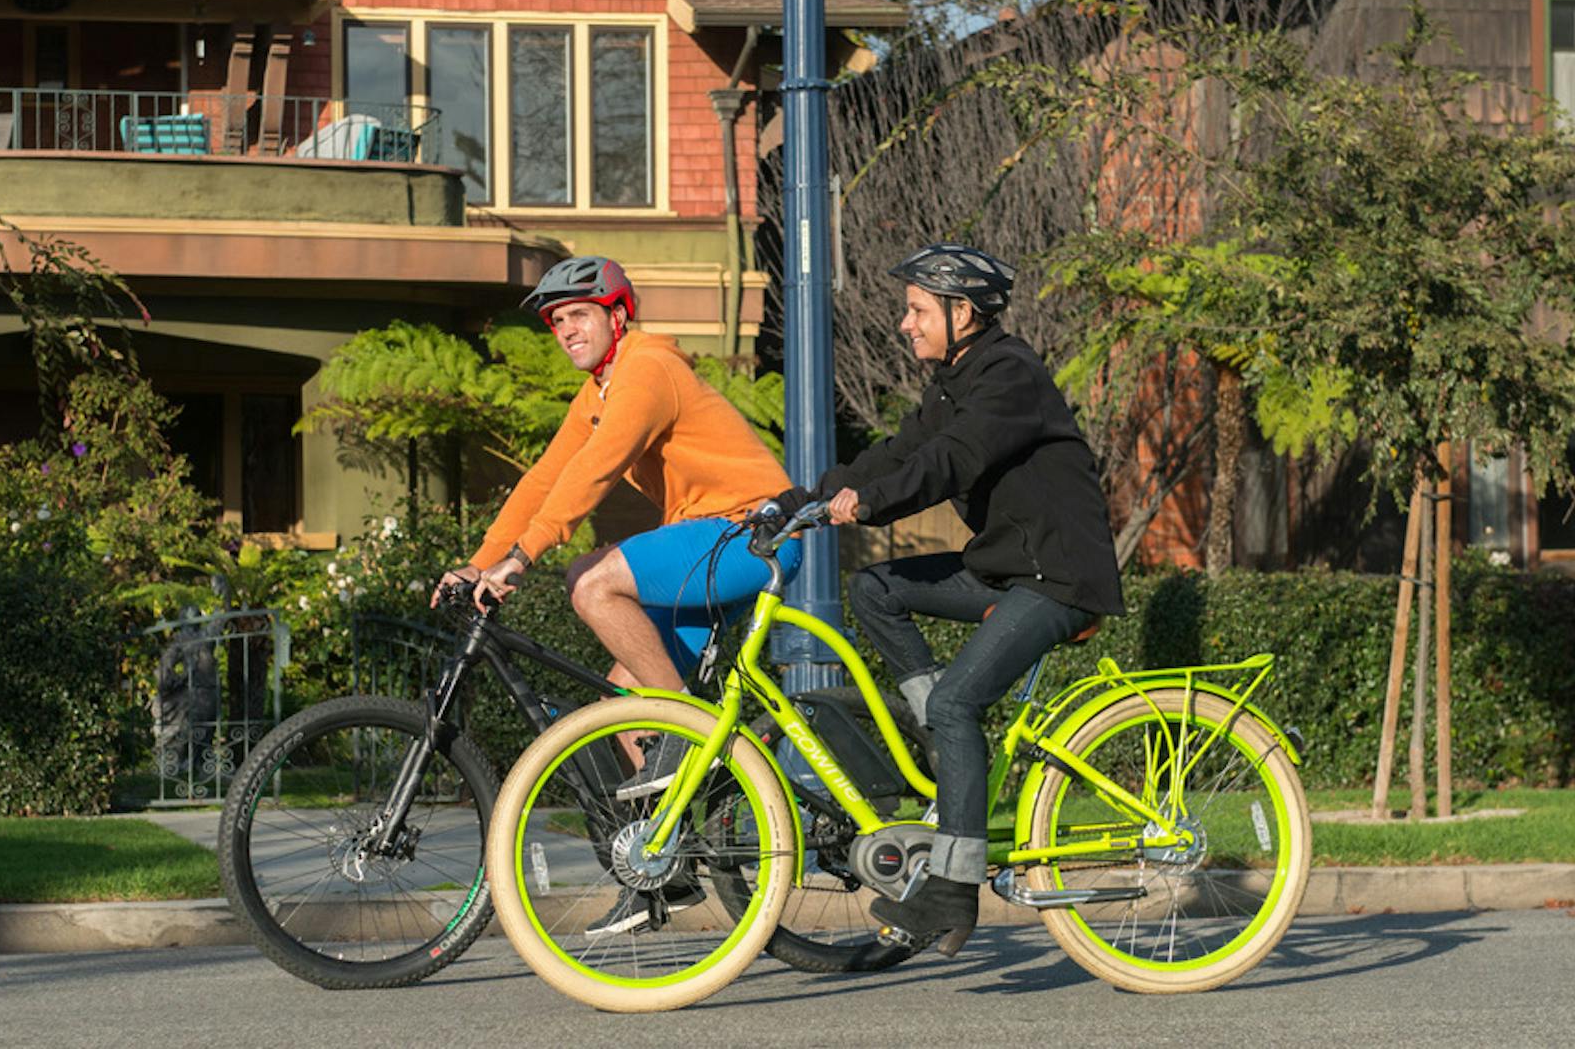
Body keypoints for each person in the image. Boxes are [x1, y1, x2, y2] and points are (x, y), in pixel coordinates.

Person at [433, 254, 800, 935]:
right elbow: (547, 478)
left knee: (592, 580)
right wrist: (479, 562)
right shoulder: (597, 393)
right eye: (556, 322)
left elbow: (596, 472)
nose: (565, 330)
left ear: (616, 314)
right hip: (706, 546)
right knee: (623, 702)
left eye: (577, 315)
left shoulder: (647, 368)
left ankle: (686, 727)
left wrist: (523, 556)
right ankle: (667, 870)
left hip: (749, 531)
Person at [780, 242, 1125, 956]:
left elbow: (949, 461)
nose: (904, 324)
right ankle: (945, 742)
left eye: (916, 310)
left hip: (1057, 578)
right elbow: (898, 451)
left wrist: (868, 503)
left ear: (962, 312)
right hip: (1005, 572)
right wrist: (799, 500)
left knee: (958, 701)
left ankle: (953, 887)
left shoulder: (1009, 375)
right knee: (874, 587)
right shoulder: (951, 383)